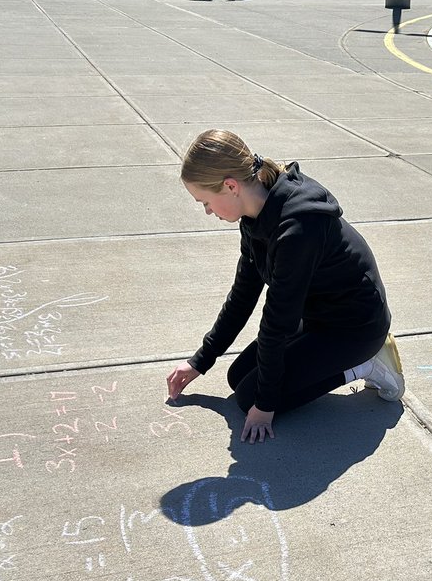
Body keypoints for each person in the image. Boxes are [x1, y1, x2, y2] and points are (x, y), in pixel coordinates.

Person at [168, 130, 404, 444]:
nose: (208, 211)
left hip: (355, 326)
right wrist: (201, 360)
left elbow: (277, 322)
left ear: (230, 186)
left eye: (206, 202)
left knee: (252, 397)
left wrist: (265, 406)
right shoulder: (254, 215)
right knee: (237, 378)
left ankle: (366, 363)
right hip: (319, 315)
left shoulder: (299, 227)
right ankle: (332, 363)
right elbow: (243, 295)